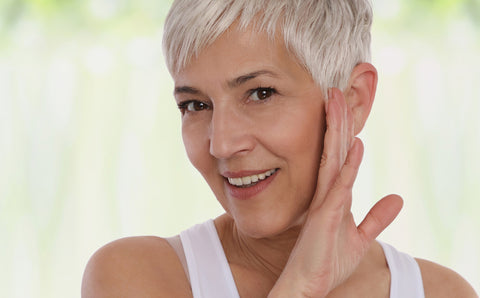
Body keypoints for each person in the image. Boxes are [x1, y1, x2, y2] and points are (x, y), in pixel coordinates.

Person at [82, 0, 477, 297]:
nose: (221, 144)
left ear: (354, 100)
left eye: (260, 93)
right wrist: (301, 285)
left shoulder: (442, 292)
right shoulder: (135, 277)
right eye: (195, 105)